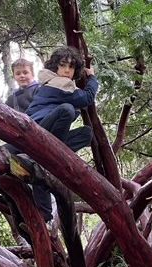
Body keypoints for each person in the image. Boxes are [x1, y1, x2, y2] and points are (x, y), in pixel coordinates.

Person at [22, 46, 98, 222]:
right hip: (37, 131)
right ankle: (44, 156)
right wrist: (92, 77)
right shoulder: (56, 85)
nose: (66, 70)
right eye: (63, 65)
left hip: (49, 140)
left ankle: (45, 217)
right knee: (67, 110)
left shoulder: (64, 86)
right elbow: (87, 98)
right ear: (55, 67)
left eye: (71, 67)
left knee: (86, 134)